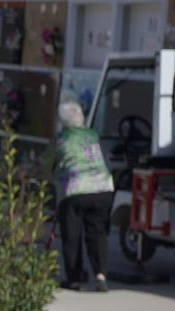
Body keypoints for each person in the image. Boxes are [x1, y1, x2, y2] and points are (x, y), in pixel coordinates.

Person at [50, 99, 115, 291]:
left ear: (62, 122)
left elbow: (46, 164)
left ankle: (74, 279)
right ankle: (100, 276)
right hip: (103, 187)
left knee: (72, 235)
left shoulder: (61, 139)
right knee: (98, 232)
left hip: (77, 190)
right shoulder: (93, 134)